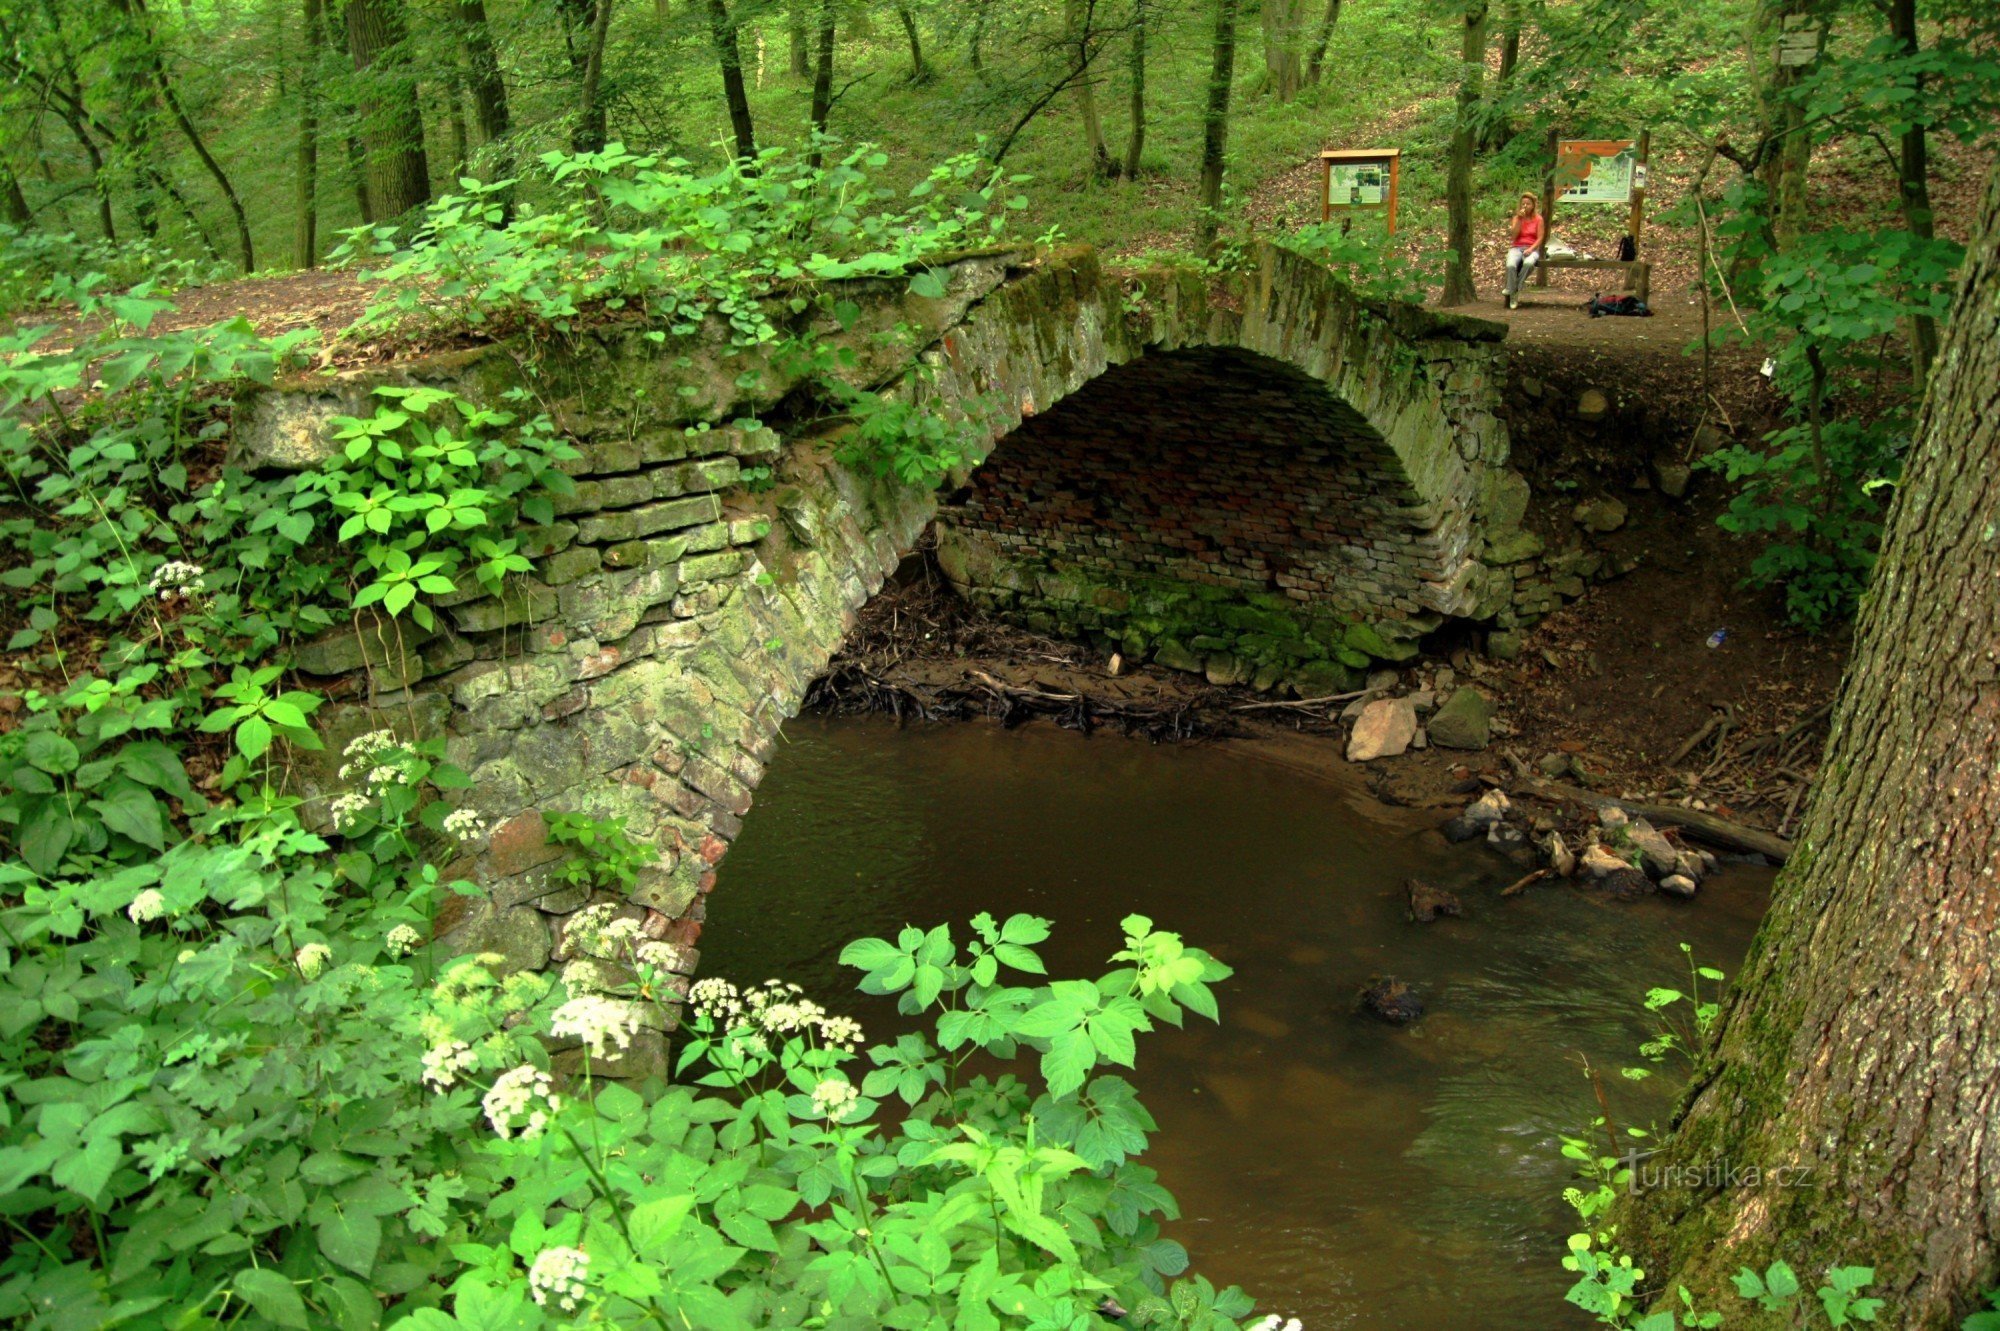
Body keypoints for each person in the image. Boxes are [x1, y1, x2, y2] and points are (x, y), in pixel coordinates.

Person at [1503, 193, 1544, 310]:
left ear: (1533, 205)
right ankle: (1514, 291)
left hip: (1532, 247)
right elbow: (1514, 236)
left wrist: (1531, 249)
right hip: (1516, 247)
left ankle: (1513, 289)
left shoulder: (1538, 219)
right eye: (1523, 204)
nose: (1525, 206)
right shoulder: (1517, 218)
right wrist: (1520, 220)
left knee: (1528, 263)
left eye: (1528, 204)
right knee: (1510, 265)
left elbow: (1540, 237)